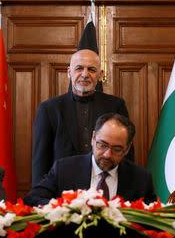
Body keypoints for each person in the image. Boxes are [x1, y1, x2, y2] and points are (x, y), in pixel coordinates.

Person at [32, 48, 133, 187]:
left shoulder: (116, 105)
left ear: (100, 75)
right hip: (62, 192)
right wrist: (41, 199)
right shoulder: (49, 109)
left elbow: (127, 154)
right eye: (79, 68)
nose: (85, 74)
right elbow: (40, 162)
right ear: (69, 72)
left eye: (91, 69)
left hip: (106, 189)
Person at [25, 113, 156, 207]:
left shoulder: (141, 178)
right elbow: (33, 199)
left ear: (127, 148)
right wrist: (68, 208)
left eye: (116, 149)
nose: (107, 154)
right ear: (93, 138)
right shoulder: (64, 169)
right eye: (102, 145)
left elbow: (152, 217)